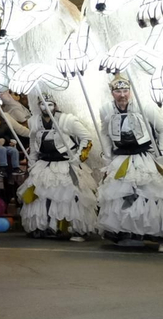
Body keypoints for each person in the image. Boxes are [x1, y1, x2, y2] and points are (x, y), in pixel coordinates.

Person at [18, 94, 97, 241]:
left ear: (56, 105)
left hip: (66, 165)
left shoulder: (67, 120)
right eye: (42, 104)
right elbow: (34, 141)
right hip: (44, 165)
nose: (46, 107)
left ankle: (73, 229)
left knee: (69, 197)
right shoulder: (34, 121)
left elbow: (86, 137)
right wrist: (32, 162)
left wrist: (78, 157)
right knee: (41, 196)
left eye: (50, 104)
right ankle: (45, 226)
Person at [95, 75, 163, 244]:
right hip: (121, 158)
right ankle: (127, 232)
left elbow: (161, 128)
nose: (122, 95)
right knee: (120, 196)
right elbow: (104, 133)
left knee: (148, 194)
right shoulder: (105, 110)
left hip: (144, 157)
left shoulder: (144, 106)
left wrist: (160, 151)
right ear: (112, 93)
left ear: (130, 91)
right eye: (118, 91)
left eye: (125, 91)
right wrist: (107, 155)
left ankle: (154, 233)